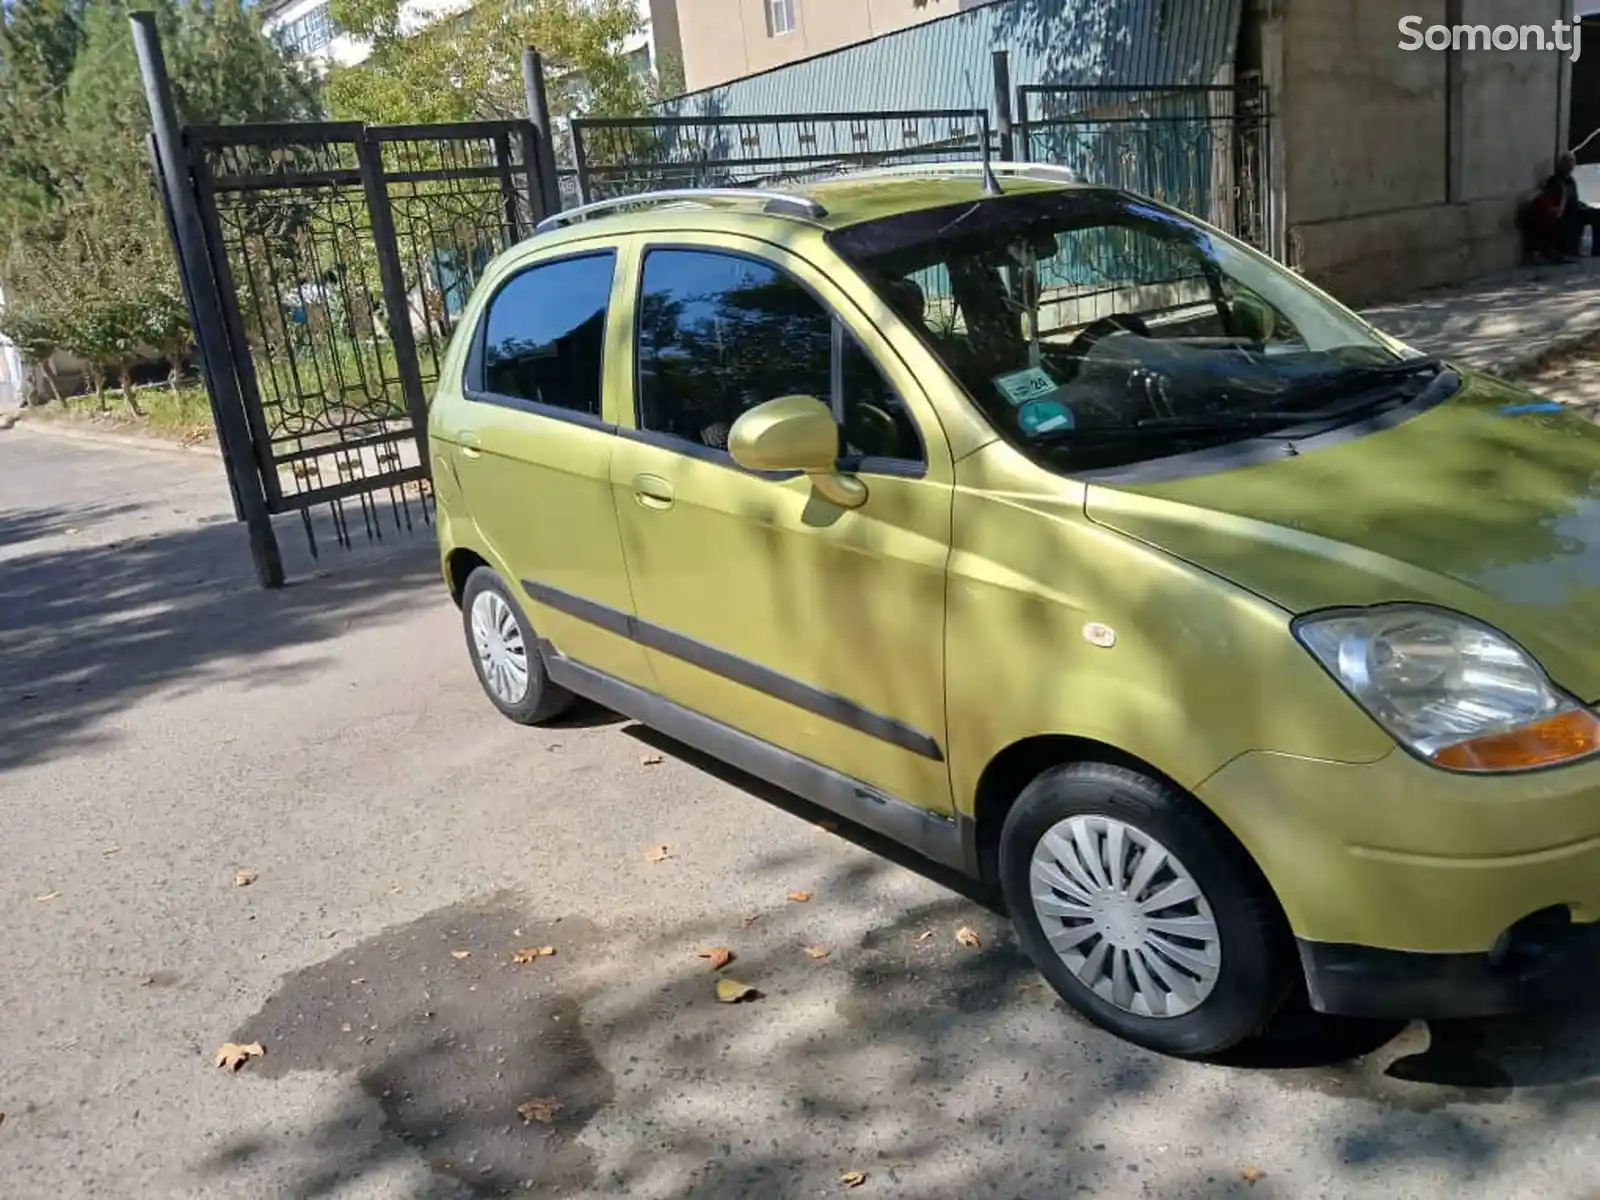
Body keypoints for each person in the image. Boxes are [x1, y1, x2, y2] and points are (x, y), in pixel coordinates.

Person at [1551, 150, 1600, 258]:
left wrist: (1583, 206)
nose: (1571, 165)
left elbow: (1574, 198)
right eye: (1569, 162)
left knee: (1597, 214)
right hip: (1568, 213)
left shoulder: (1571, 181)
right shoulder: (1557, 181)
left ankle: (1597, 250)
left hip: (1576, 210)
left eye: (1572, 162)